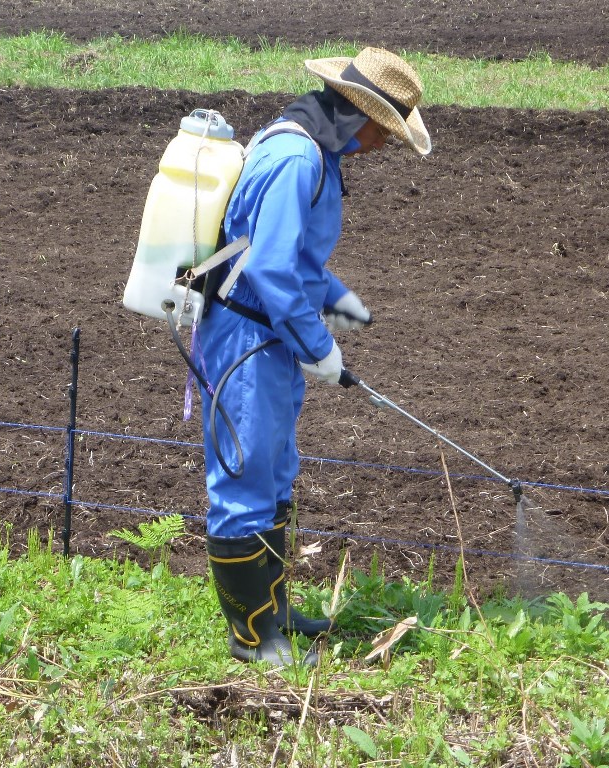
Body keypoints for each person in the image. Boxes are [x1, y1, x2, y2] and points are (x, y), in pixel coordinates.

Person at [197, 47, 431, 667]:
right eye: (388, 132)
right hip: (245, 341)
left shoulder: (317, 150)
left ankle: (272, 612)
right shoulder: (298, 156)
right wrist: (319, 347)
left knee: (274, 474)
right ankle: (252, 639)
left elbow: (289, 256)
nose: (386, 146)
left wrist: (334, 296)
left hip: (269, 338)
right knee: (245, 477)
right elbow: (268, 267)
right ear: (361, 115)